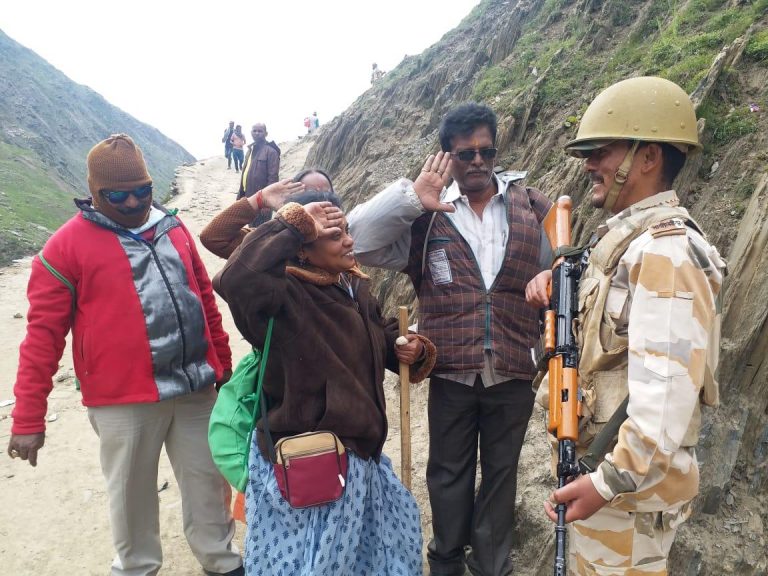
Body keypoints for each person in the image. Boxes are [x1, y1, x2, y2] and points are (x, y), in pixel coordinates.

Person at [6, 134, 243, 576]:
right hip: (123, 401)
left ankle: (223, 564)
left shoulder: (172, 227)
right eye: (119, 195)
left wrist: (222, 361)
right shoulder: (63, 248)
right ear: (95, 193)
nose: (134, 202)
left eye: (143, 191)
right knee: (131, 496)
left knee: (208, 486)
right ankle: (136, 569)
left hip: (194, 389)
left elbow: (203, 296)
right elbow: (41, 339)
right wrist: (27, 419)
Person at [525, 76, 726, 575]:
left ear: (648, 157)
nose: (591, 165)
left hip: (626, 495)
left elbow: (665, 396)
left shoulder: (664, 252)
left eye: (603, 151)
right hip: (608, 482)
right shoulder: (625, 244)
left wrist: (607, 481)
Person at [347, 102, 553, 576]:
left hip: (514, 368)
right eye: (465, 153)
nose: (478, 161)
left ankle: (491, 566)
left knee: (501, 477)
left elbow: (554, 271)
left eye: (486, 151)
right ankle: (445, 562)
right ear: (447, 157)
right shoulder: (425, 217)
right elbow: (358, 238)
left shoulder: (532, 205)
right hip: (451, 371)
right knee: (448, 475)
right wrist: (413, 197)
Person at [212, 190, 436, 575]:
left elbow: (374, 336)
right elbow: (234, 280)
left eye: (347, 231)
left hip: (358, 455)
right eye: (335, 236)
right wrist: (293, 223)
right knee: (314, 564)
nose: (349, 241)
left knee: (370, 556)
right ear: (302, 250)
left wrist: (404, 348)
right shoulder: (280, 297)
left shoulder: (352, 285)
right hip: (310, 461)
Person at [201, 168, 334, 260]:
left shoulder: (343, 239)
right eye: (310, 193)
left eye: (326, 192)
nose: (319, 199)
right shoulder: (270, 240)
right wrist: (260, 198)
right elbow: (213, 238)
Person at [236, 123, 280, 225]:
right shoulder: (250, 150)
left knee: (259, 233)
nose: (257, 133)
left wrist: (267, 203)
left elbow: (273, 178)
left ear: (266, 133)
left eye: (260, 131)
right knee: (250, 229)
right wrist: (240, 195)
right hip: (248, 198)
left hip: (261, 202)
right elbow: (245, 174)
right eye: (254, 131)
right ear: (251, 133)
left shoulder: (271, 152)